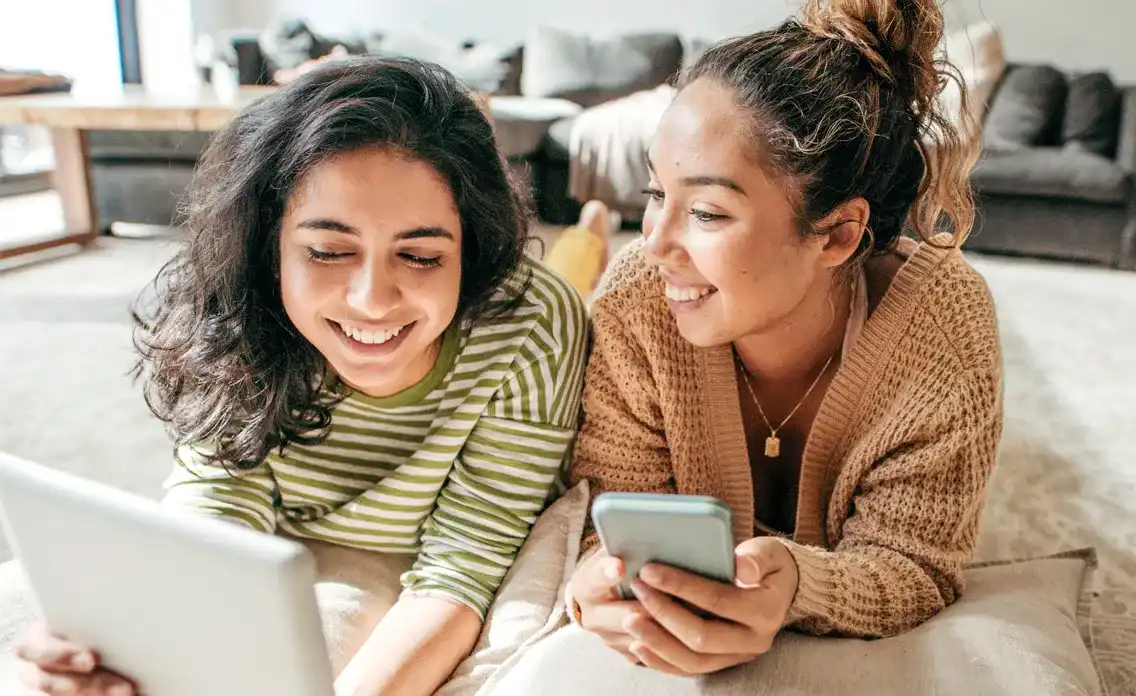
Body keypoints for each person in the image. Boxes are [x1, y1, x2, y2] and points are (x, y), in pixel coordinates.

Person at [15, 57, 588, 696]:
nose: (373, 300)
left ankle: (587, 234)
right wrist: (137, 645)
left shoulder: (532, 321)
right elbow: (215, 504)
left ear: (470, 248)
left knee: (580, 266)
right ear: (269, 246)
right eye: (328, 252)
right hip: (292, 540)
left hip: (424, 541)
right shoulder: (236, 307)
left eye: (421, 256)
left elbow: (462, 567)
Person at [566, 0, 1004, 677]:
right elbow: (604, 507)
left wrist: (801, 583)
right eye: (655, 195)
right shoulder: (636, 302)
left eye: (707, 212)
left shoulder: (944, 329)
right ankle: (586, 233)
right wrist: (599, 576)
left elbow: (918, 563)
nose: (654, 245)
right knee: (567, 286)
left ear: (837, 234)